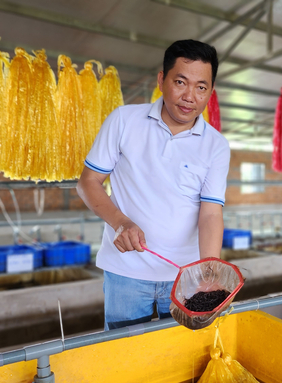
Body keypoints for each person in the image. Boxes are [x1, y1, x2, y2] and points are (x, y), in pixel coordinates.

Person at [77, 40, 229, 330]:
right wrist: (120, 222)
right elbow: (88, 182)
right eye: (180, 82)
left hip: (184, 278)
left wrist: (209, 269)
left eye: (201, 87)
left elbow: (210, 213)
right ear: (162, 80)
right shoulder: (124, 120)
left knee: (181, 361)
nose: (189, 97)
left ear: (210, 92)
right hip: (126, 274)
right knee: (127, 359)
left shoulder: (216, 146)